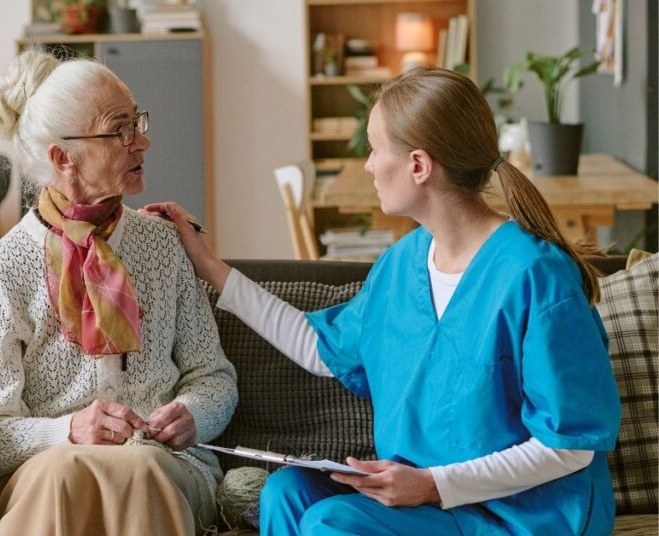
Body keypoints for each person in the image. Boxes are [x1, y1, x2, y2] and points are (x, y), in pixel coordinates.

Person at [147, 68, 621, 535]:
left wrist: (434, 484)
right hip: (430, 500)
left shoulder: (535, 274)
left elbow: (570, 446)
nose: (369, 165)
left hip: (522, 513)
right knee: (286, 493)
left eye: (375, 150)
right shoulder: (403, 264)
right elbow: (320, 348)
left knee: (332, 523)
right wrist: (207, 263)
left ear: (418, 165)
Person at [0, 50, 238, 535]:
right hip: (50, 473)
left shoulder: (163, 244)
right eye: (121, 130)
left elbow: (213, 377)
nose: (144, 142)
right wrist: (66, 431)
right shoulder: (0, 272)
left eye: (139, 123)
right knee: (68, 469)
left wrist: (192, 414)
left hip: (166, 466)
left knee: (140, 467)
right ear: (62, 158)